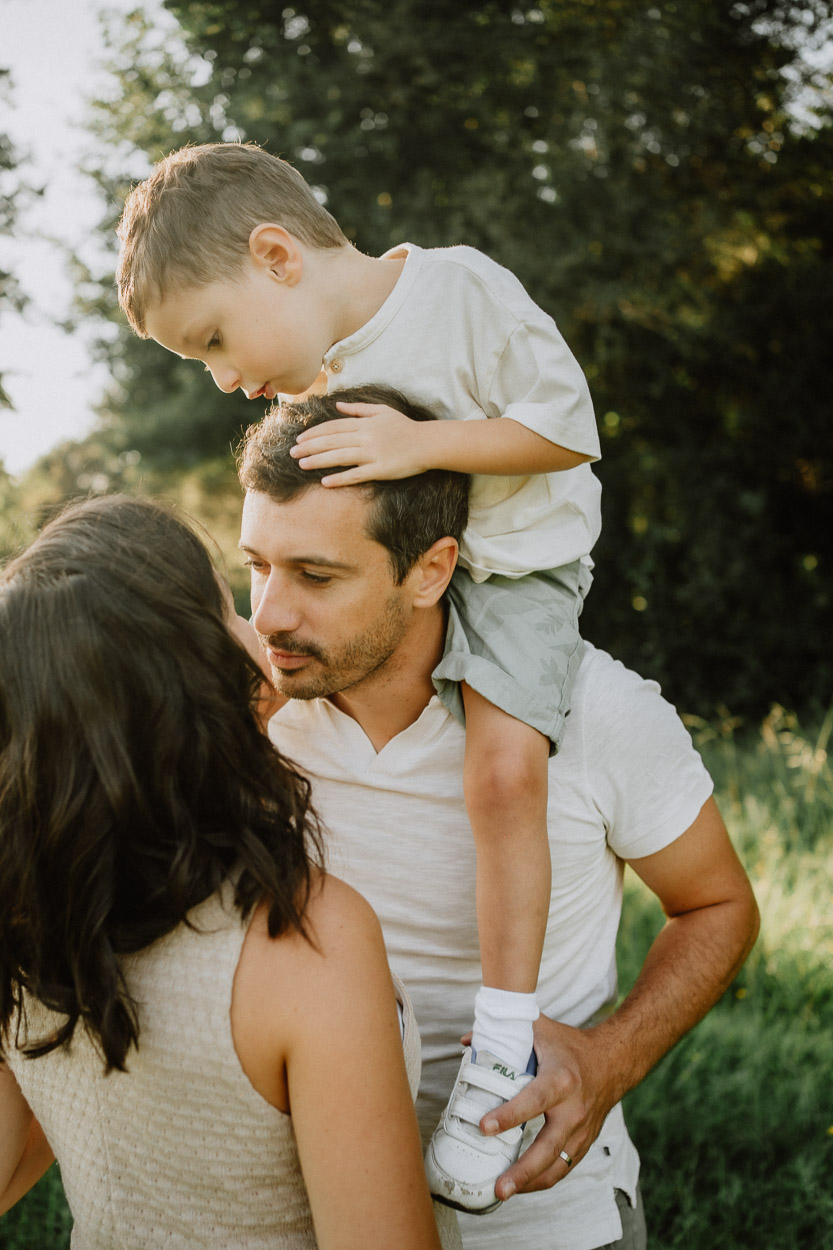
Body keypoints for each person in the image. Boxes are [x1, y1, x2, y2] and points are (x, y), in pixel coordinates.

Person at [115, 139, 602, 1209]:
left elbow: (566, 435)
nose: (226, 377)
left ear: (277, 255)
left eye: (214, 340)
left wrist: (424, 443)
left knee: (502, 773)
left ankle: (504, 1038)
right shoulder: (326, 370)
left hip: (515, 567)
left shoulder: (457, 287)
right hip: (420, 577)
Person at [235, 389, 760, 1250]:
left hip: (543, 1217)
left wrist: (608, 1059)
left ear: (430, 571)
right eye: (258, 565)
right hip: (311, 1217)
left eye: (316, 576)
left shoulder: (592, 709)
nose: (270, 616)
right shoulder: (248, 711)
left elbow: (716, 906)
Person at [0, 494, 458, 1250]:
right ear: (188, 674)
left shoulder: (34, 912)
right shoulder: (306, 939)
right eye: (229, 610)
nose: (261, 628)